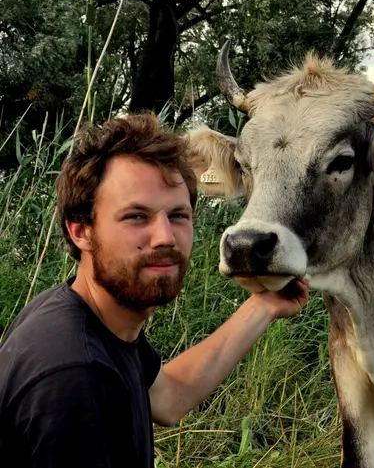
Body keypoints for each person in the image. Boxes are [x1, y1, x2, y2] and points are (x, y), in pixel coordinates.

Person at [0, 113, 310, 468]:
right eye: (136, 216)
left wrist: (264, 306)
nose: (165, 237)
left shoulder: (88, 316)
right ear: (81, 232)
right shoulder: (76, 376)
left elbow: (168, 398)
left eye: (178, 215)